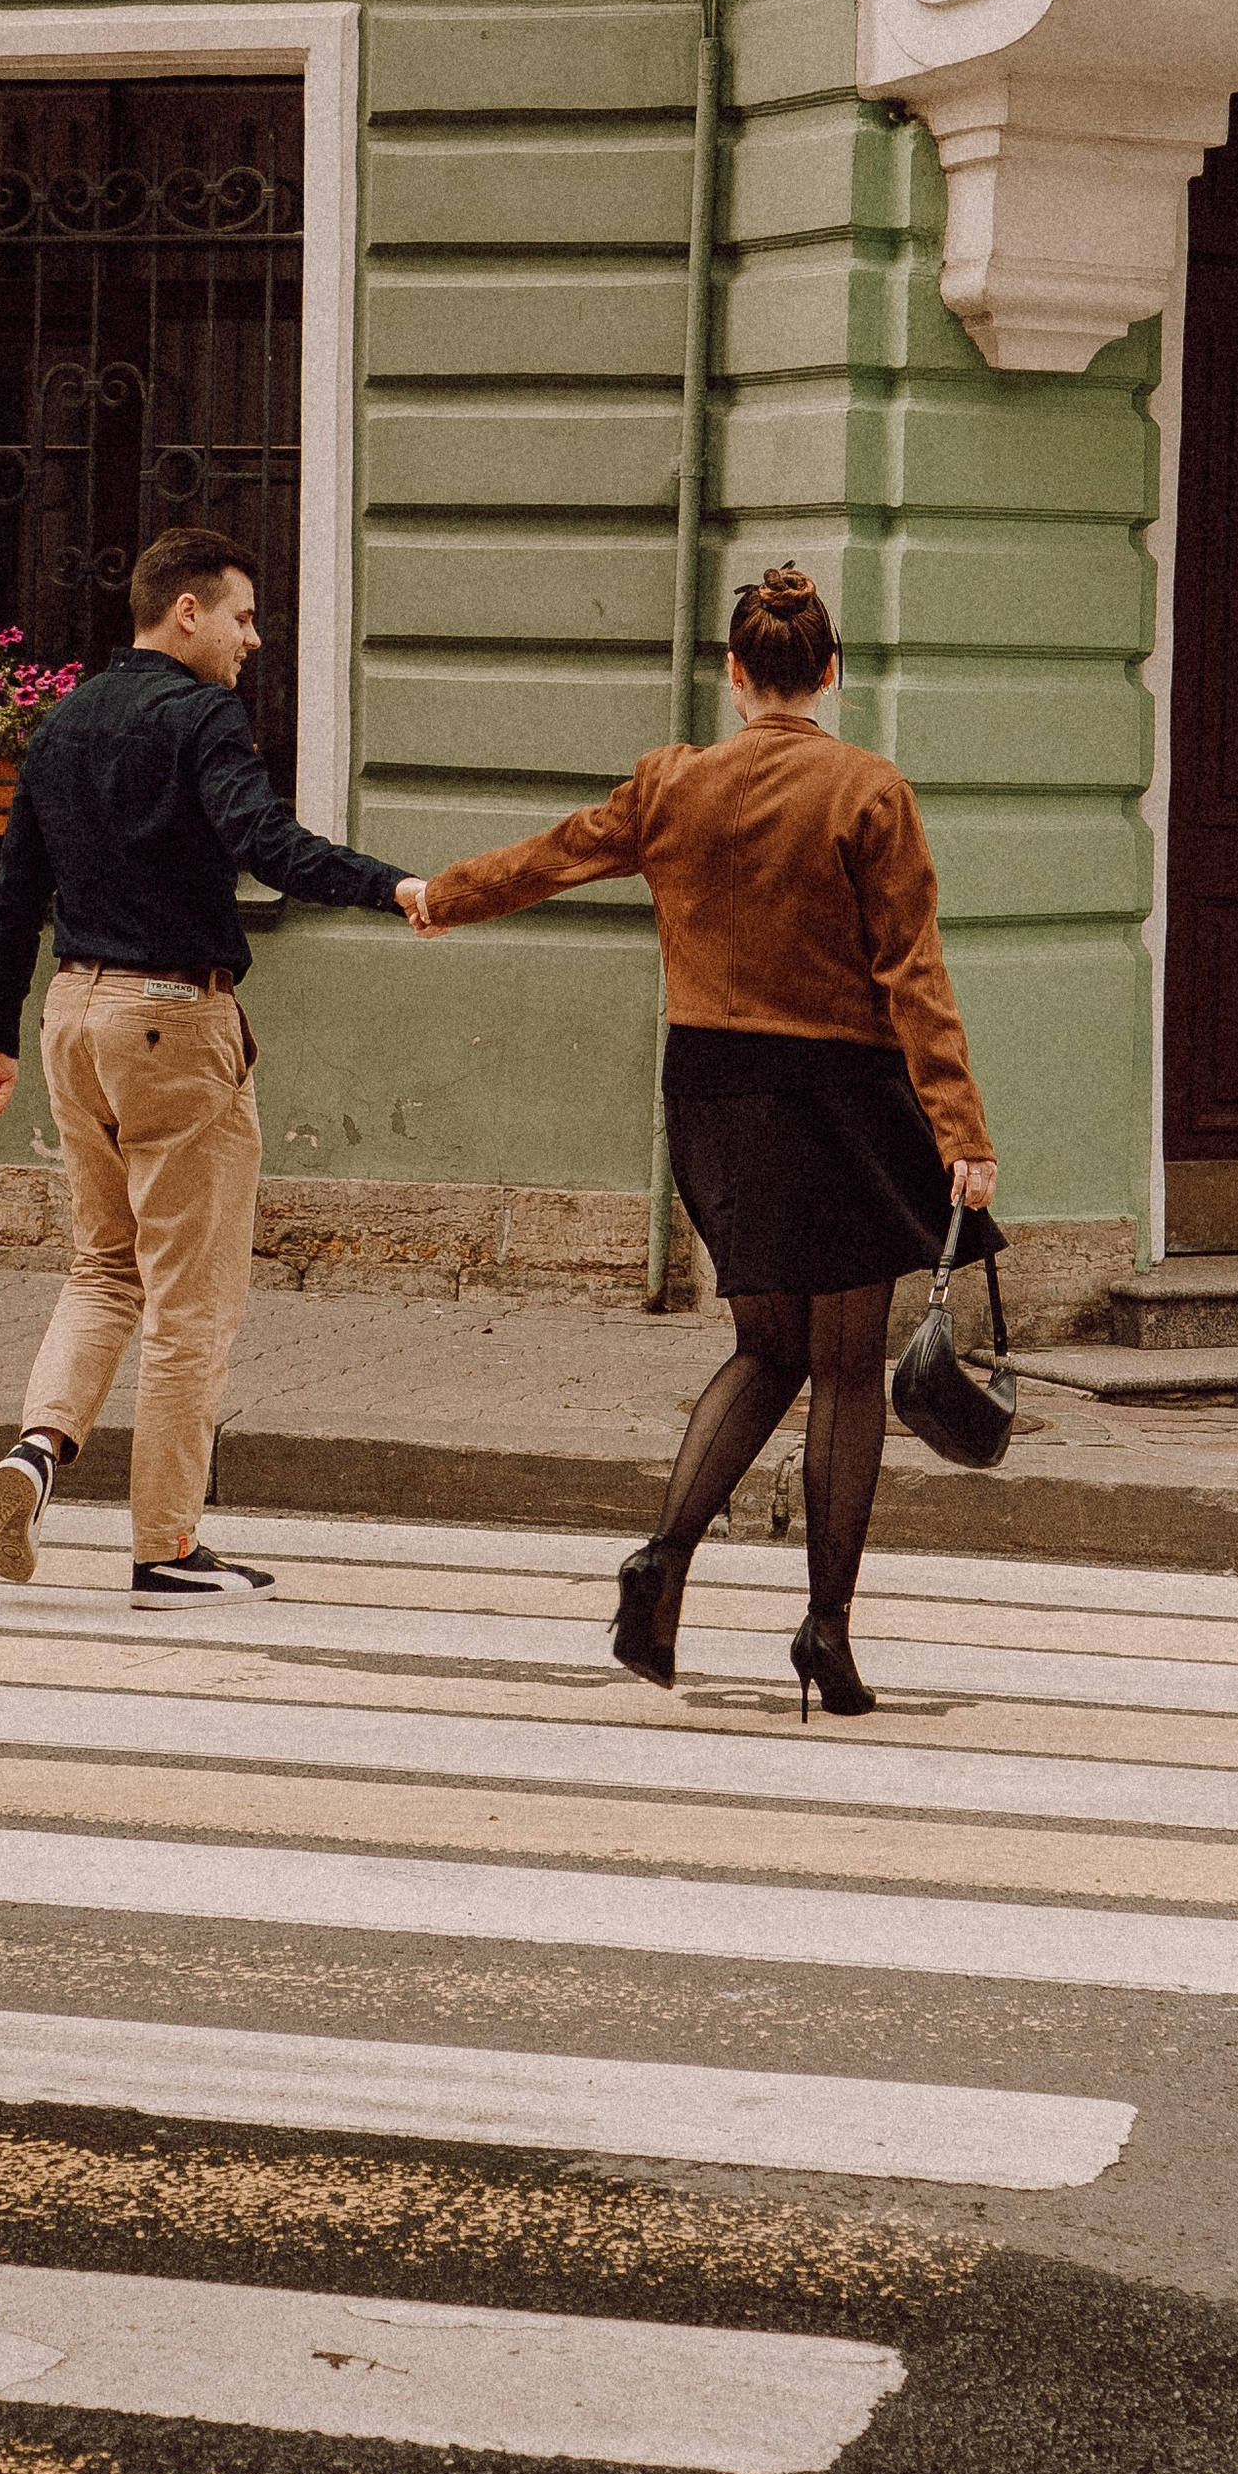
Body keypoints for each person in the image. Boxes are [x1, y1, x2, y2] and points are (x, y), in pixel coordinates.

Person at [403, 567, 998, 1720]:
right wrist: (959, 1129)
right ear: (828, 672)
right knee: (842, 1367)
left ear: (733, 677)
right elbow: (911, 974)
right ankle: (825, 1629)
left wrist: (442, 895)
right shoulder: (868, 792)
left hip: (715, 1091)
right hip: (839, 1091)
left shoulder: (672, 784)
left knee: (765, 1347)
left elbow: (553, 855)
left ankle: (660, 1567)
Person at [0, 527, 417, 1602]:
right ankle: (165, 1546)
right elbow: (269, 845)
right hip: (172, 1020)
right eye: (244, 617)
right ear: (187, 613)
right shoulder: (202, 715)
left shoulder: (65, 719)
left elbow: (14, 894)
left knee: (101, 1265)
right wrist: (391, 887)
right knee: (189, 1301)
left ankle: (36, 1451)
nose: (254, 641)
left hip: (73, 1017)